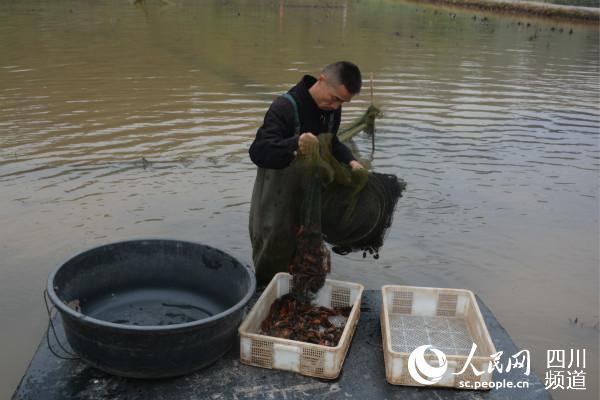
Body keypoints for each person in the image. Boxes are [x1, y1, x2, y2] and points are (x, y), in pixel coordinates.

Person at [248, 61, 364, 286]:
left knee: (308, 257)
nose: (336, 105)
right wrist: (295, 143)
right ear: (321, 80)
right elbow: (259, 151)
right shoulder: (284, 107)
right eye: (334, 98)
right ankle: (265, 292)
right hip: (276, 202)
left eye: (343, 102)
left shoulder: (332, 112)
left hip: (310, 201)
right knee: (273, 252)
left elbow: (332, 142)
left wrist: (351, 161)